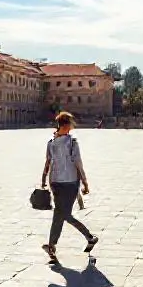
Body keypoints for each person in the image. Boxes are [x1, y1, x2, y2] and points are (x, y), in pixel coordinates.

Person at [40, 112, 98, 265]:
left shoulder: (72, 142)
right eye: (70, 125)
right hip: (56, 183)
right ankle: (52, 246)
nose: (71, 128)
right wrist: (44, 177)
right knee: (59, 214)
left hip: (71, 183)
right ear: (64, 125)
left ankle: (89, 237)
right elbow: (48, 161)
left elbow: (78, 162)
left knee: (64, 214)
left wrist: (84, 182)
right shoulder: (51, 142)